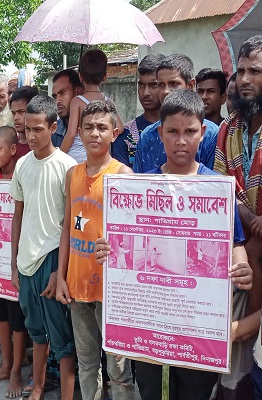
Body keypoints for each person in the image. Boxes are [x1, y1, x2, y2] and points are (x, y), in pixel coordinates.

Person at [97, 89, 252, 400]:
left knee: (194, 393)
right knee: (152, 392)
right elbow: (119, 241)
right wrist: (108, 250)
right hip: (150, 327)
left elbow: (235, 242)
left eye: (190, 132)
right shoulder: (141, 188)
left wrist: (242, 266)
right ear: (160, 133)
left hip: (197, 328)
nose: (181, 140)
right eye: (173, 132)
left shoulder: (217, 191)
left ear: (202, 132)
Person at [55, 100, 135, 400]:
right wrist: (61, 277)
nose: (94, 133)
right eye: (88, 127)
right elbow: (67, 228)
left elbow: (133, 237)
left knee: (118, 370)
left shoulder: (122, 175)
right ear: (79, 132)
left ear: (114, 133)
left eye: (102, 127)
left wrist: (116, 247)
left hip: (111, 289)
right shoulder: (72, 174)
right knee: (87, 363)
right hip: (76, 285)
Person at [9, 94, 77, 400]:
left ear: (53, 127)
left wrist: (60, 273)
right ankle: (36, 387)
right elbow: (18, 216)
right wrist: (14, 264)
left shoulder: (67, 167)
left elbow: (71, 224)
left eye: (38, 129)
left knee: (62, 339)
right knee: (36, 331)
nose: (31, 136)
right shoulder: (22, 164)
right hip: (27, 262)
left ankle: (65, 395)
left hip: (53, 260)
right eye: (27, 129)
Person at [215, 36, 262, 400]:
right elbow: (218, 189)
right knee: (235, 364)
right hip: (237, 254)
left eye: (255, 71)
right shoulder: (228, 129)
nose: (245, 79)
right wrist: (245, 212)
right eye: (242, 70)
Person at [0, 126, 29, 399]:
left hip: (18, 255)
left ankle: (16, 371)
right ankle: (7, 362)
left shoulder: (20, 177)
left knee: (17, 317)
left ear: (13, 149)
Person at [133, 54, 219, 173]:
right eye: (161, 85)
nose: (166, 91)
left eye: (173, 84)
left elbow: (215, 184)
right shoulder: (147, 135)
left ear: (190, 85)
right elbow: (139, 184)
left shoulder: (212, 134)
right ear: (161, 133)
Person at [61, 49, 121, 163]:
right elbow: (121, 128)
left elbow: (71, 134)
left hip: (76, 158)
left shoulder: (77, 102)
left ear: (80, 77)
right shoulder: (108, 102)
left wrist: (58, 155)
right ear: (105, 77)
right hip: (101, 158)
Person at [113, 53, 165, 168]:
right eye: (141, 85)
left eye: (153, 85)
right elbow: (122, 182)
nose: (145, 92)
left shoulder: (182, 133)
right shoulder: (126, 135)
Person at [51, 69, 84, 148]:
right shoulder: (54, 131)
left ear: (78, 92)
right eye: (55, 96)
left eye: (62, 93)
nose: (57, 101)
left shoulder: (95, 128)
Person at [10, 86, 39, 156]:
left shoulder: (42, 146)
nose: (15, 118)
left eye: (21, 112)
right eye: (13, 113)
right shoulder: (9, 145)